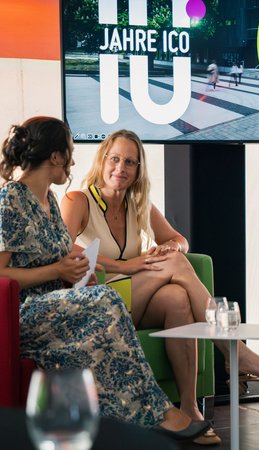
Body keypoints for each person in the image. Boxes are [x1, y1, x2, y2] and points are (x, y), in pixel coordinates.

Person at [60, 129, 259, 445]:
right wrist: (125, 266)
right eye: (115, 159)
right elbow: (64, 251)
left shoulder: (138, 203)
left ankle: (189, 408)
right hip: (101, 303)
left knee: (177, 297)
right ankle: (239, 356)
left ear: (138, 170)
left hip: (137, 302)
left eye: (130, 162)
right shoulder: (78, 200)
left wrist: (169, 249)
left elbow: (179, 240)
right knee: (176, 270)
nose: (121, 168)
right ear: (102, 160)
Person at [0, 117, 208, 442]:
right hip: (29, 312)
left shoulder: (50, 202)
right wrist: (58, 272)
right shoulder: (11, 199)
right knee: (109, 300)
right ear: (54, 156)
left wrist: (83, 271)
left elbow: (61, 258)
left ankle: (147, 417)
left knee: (136, 300)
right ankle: (156, 412)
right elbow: (1, 276)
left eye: (129, 162)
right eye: (68, 153)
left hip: (61, 301)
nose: (71, 162)